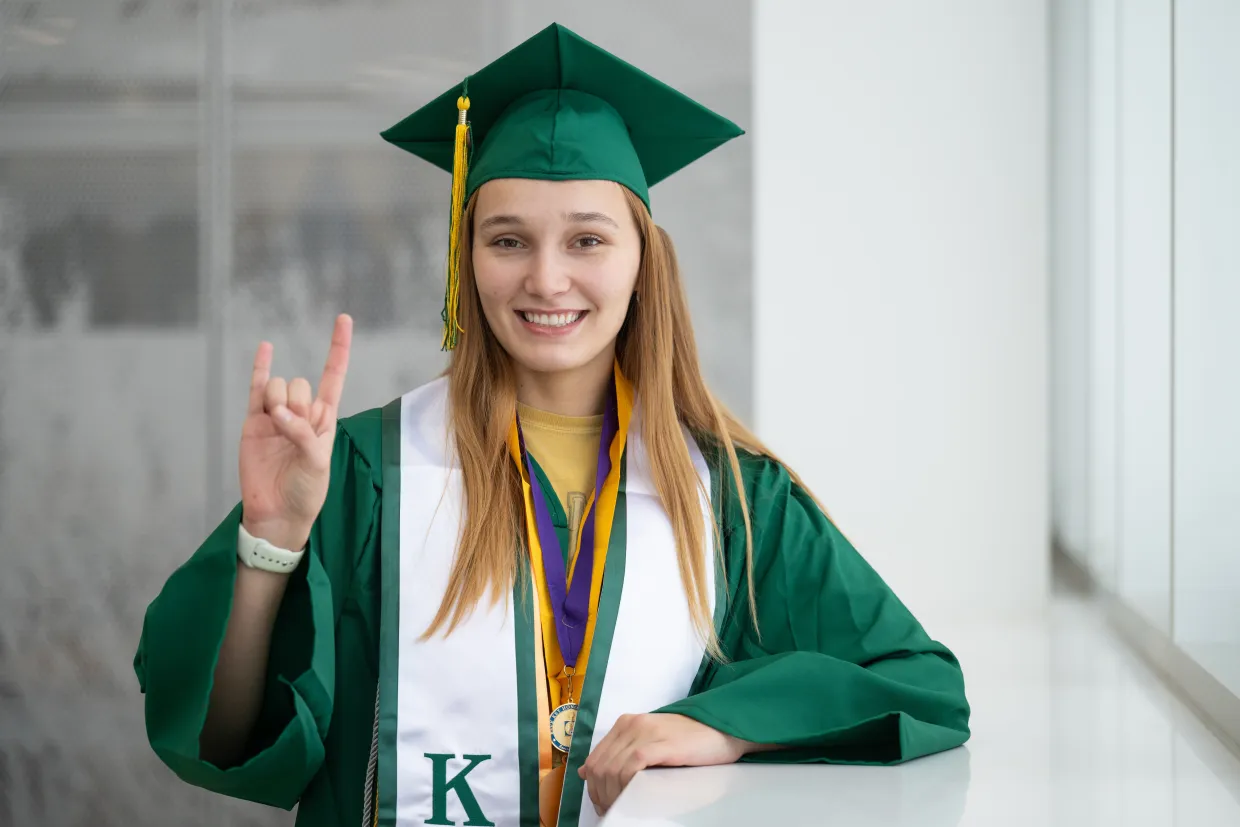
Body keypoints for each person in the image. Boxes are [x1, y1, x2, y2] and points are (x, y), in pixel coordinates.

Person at [133, 22, 970, 827]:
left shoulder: (734, 499)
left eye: (587, 240)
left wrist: (721, 727)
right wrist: (270, 541)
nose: (546, 277)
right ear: (468, 260)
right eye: (507, 240)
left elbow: (917, 684)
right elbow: (226, 738)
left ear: (644, 261)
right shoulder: (364, 472)